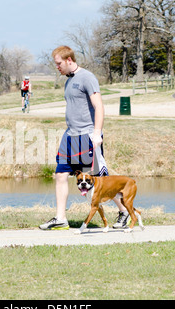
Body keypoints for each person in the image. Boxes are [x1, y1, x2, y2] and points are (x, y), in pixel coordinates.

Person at [39, 45, 130, 231]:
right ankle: (60, 218)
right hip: (70, 135)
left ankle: (124, 211)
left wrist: (97, 133)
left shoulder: (87, 77)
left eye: (58, 64)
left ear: (69, 60)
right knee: (61, 174)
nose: (57, 67)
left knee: (99, 179)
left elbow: (99, 107)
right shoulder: (68, 81)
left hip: (87, 135)